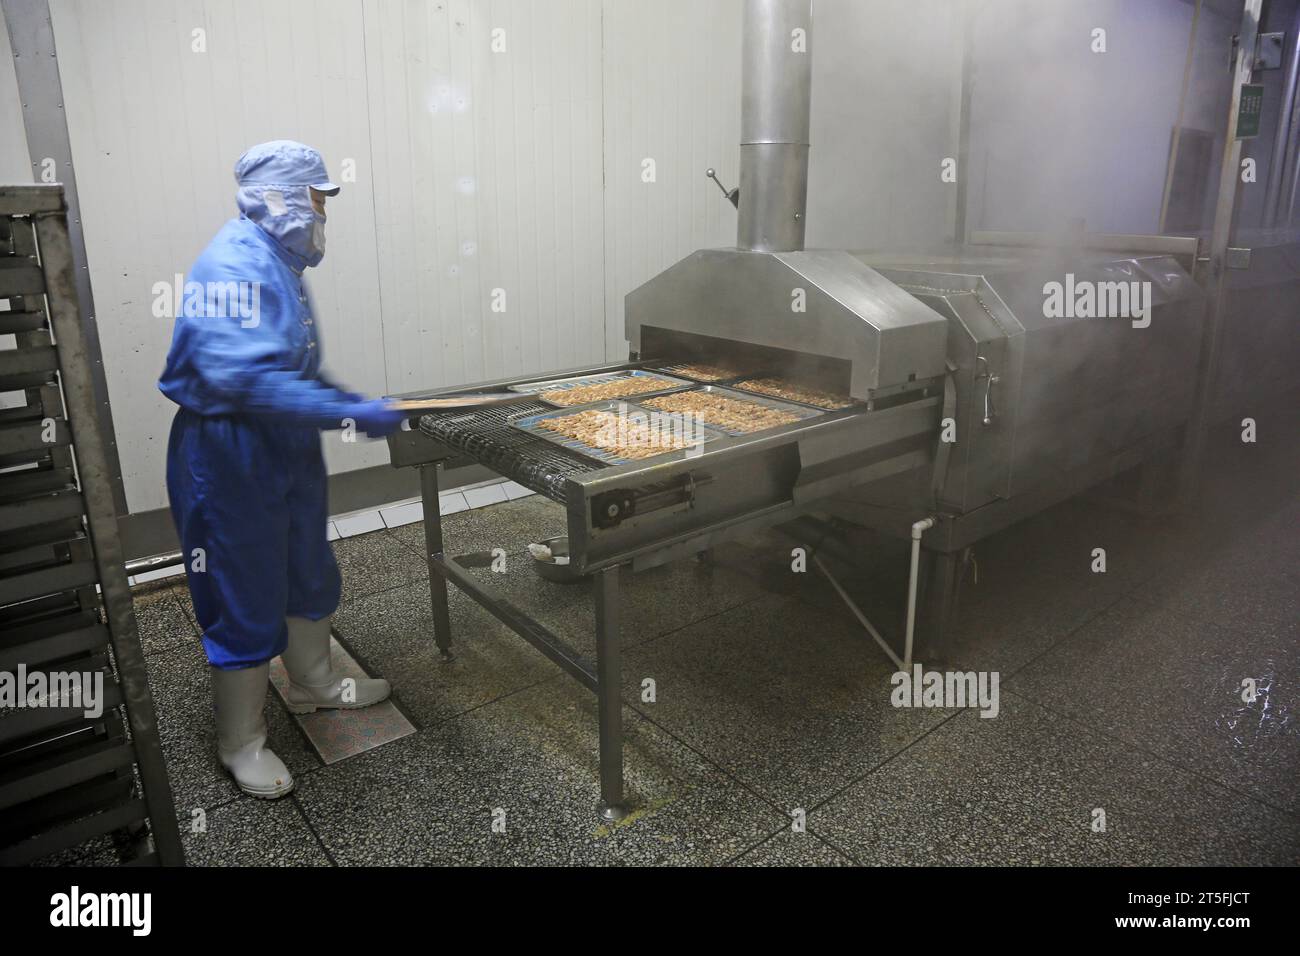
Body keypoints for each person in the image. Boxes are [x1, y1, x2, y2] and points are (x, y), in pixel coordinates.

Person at [158, 141, 405, 798]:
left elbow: (290, 367)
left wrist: (343, 402)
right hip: (230, 450)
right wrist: (346, 410)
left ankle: (318, 682)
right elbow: (246, 382)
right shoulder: (234, 266)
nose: (324, 209)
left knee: (305, 564)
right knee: (245, 587)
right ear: (281, 198)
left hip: (285, 444)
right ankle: (241, 743)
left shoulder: (280, 261)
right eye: (317, 197)